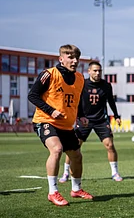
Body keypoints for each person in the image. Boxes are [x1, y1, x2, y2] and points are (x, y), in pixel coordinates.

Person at [28, 44, 93, 206]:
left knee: (76, 156)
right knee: (56, 149)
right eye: (70, 57)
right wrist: (51, 111)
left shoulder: (79, 78)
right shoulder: (48, 74)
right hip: (45, 120)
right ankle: (53, 192)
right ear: (61, 59)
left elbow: (77, 101)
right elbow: (33, 95)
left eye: (76, 57)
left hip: (66, 125)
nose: (74, 60)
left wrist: (81, 115)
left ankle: (76, 189)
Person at [59, 61, 123, 183]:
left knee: (110, 145)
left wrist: (116, 115)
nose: (97, 73)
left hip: (101, 120)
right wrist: (77, 116)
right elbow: (75, 101)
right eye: (95, 70)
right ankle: (66, 172)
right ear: (89, 71)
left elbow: (111, 101)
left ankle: (115, 172)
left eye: (99, 70)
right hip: (84, 119)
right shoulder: (82, 84)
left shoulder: (106, 85)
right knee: (73, 148)